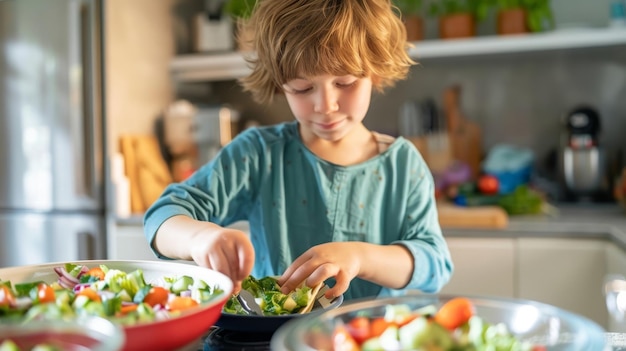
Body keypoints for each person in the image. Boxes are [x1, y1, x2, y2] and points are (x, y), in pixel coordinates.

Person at [144, 0, 453, 301]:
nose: (326, 106)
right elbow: (162, 216)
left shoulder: (402, 164)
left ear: (375, 72)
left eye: (345, 83)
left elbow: (435, 264)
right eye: (303, 88)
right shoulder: (258, 154)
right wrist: (201, 238)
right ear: (280, 84)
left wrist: (360, 257)